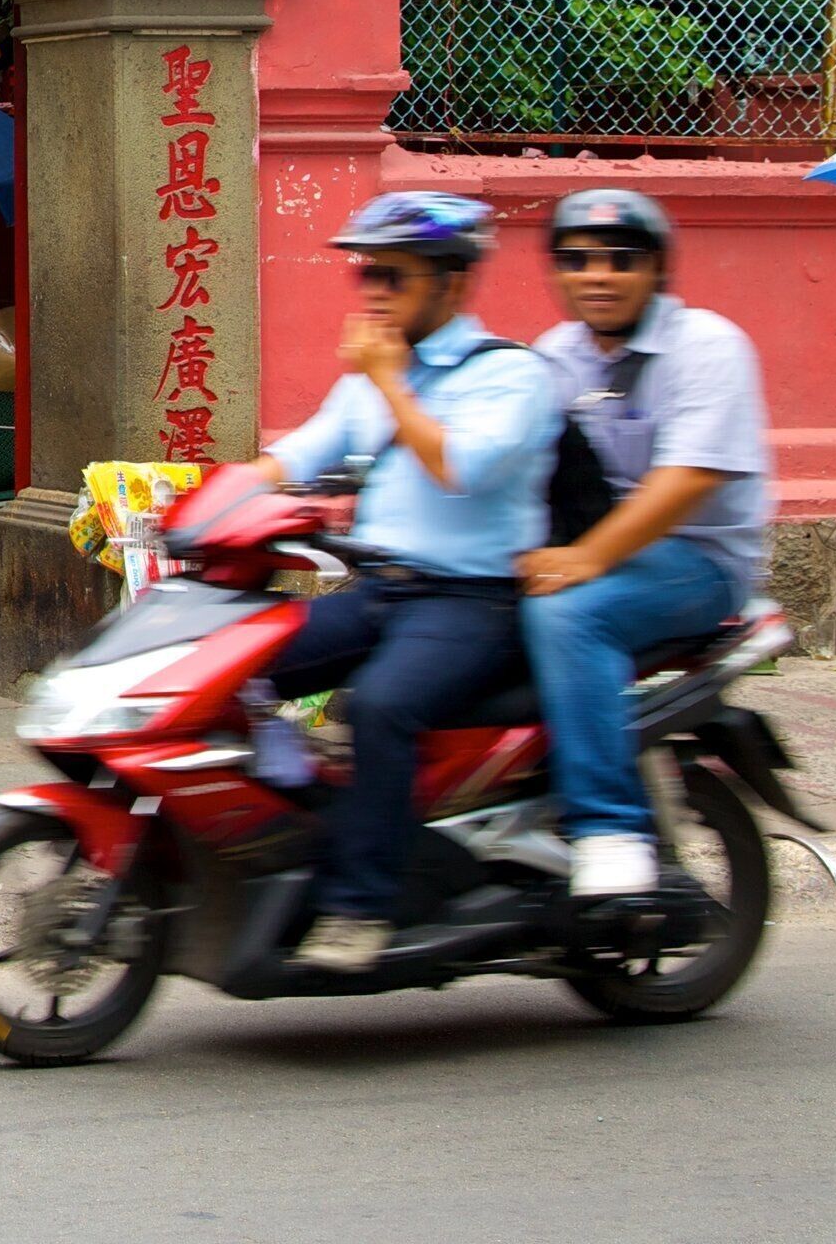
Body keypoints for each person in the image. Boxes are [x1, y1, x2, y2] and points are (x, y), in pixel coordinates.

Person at [257, 192, 563, 975]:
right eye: (370, 276)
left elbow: (460, 468)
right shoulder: (371, 379)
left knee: (386, 707)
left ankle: (361, 906)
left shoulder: (510, 375)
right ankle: (292, 842)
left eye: (394, 276)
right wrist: (203, 499)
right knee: (240, 660)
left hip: (473, 603)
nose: (376, 294)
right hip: (380, 592)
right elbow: (299, 454)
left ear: (452, 284)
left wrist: (391, 382)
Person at [522, 189, 772, 901]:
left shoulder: (707, 347)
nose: (597, 276)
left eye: (620, 260)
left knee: (569, 614)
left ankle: (610, 828)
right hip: (594, 548)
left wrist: (586, 559)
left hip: (697, 562)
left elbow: (688, 479)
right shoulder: (555, 355)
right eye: (576, 260)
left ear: (657, 270)